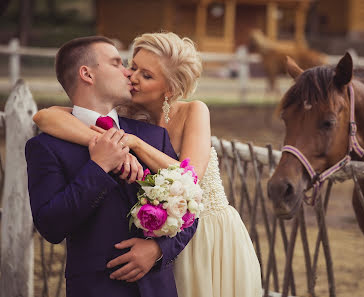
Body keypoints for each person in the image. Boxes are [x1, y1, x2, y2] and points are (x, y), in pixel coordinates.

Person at [33, 32, 263, 297]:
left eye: (147, 75)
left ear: (170, 90)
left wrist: (134, 144)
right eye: (131, 66)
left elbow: (190, 182)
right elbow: (46, 116)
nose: (131, 76)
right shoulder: (120, 118)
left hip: (206, 237)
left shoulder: (183, 117)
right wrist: (107, 150)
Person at [25, 36, 198, 297]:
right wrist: (98, 167)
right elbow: (50, 226)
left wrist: (159, 249)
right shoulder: (47, 147)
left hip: (157, 287)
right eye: (117, 63)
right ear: (87, 74)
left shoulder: (153, 137)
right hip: (96, 288)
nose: (128, 72)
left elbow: (192, 205)